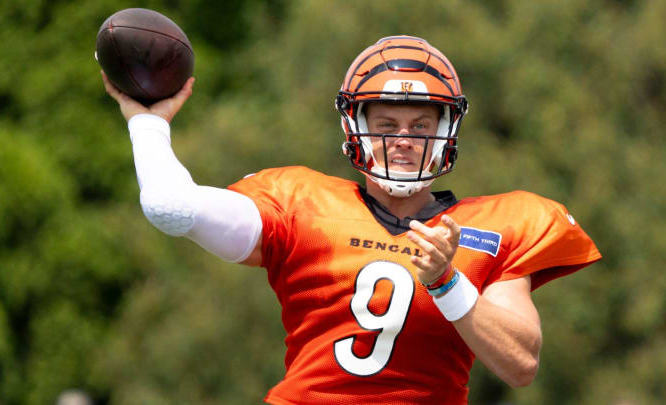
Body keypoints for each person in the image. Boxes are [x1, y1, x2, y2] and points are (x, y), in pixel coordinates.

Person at [102, 35, 601, 404]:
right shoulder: (301, 202)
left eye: (421, 124)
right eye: (385, 124)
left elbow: (520, 364)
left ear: (447, 131)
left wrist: (448, 281)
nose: (403, 138)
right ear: (354, 129)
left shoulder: (496, 224)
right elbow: (171, 206)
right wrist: (148, 122)